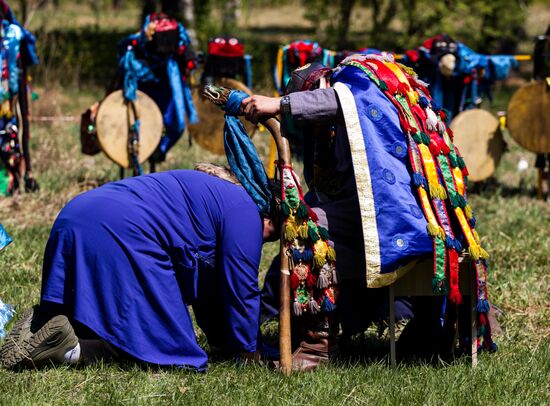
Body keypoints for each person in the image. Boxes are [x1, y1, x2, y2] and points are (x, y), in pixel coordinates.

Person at [241, 55, 495, 366]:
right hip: (393, 214)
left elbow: (342, 100)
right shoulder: (348, 118)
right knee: (309, 217)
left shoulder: (356, 81)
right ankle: (325, 333)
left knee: (313, 227)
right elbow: (334, 191)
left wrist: (281, 105)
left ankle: (317, 348)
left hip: (410, 215)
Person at [0, 165, 280, 371]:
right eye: (271, 235)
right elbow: (240, 290)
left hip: (76, 215)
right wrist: (249, 354)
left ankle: (49, 325)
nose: (262, 240)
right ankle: (69, 349)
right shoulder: (246, 212)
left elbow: (210, 290)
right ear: (270, 217)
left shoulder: (218, 194)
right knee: (160, 345)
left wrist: (224, 343)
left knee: (98, 319)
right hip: (119, 231)